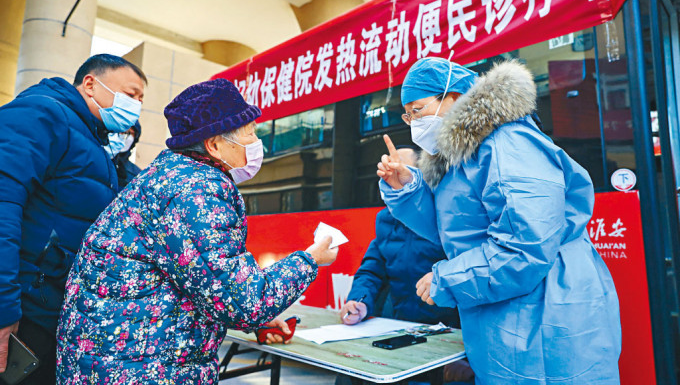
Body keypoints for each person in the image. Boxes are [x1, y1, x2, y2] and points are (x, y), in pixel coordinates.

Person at [56, 78, 338, 384]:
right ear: (214, 144)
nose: (257, 143)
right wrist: (309, 260)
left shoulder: (170, 177)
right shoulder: (195, 191)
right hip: (141, 369)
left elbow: (202, 283)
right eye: (250, 133)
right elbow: (242, 301)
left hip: (118, 362)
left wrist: (257, 322)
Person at [377, 57, 622, 384]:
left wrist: (448, 280)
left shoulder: (508, 143)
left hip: (546, 310)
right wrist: (408, 188)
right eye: (408, 114)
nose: (413, 122)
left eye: (418, 110)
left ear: (453, 97)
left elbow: (526, 248)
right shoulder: (464, 156)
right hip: (511, 309)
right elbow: (452, 229)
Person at [0, 54, 146, 384]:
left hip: (52, 311)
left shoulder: (96, 144)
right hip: (24, 310)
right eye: (131, 93)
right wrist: (4, 308)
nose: (136, 105)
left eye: (140, 99)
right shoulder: (42, 113)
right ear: (91, 84)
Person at [340, 147, 459, 328]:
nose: (394, 177)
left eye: (401, 170)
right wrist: (358, 301)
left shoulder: (445, 215)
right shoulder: (385, 219)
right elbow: (371, 271)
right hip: (403, 327)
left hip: (449, 329)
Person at [108, 121, 142, 189]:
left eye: (130, 133)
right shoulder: (95, 158)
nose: (124, 137)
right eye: (123, 132)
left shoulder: (137, 175)